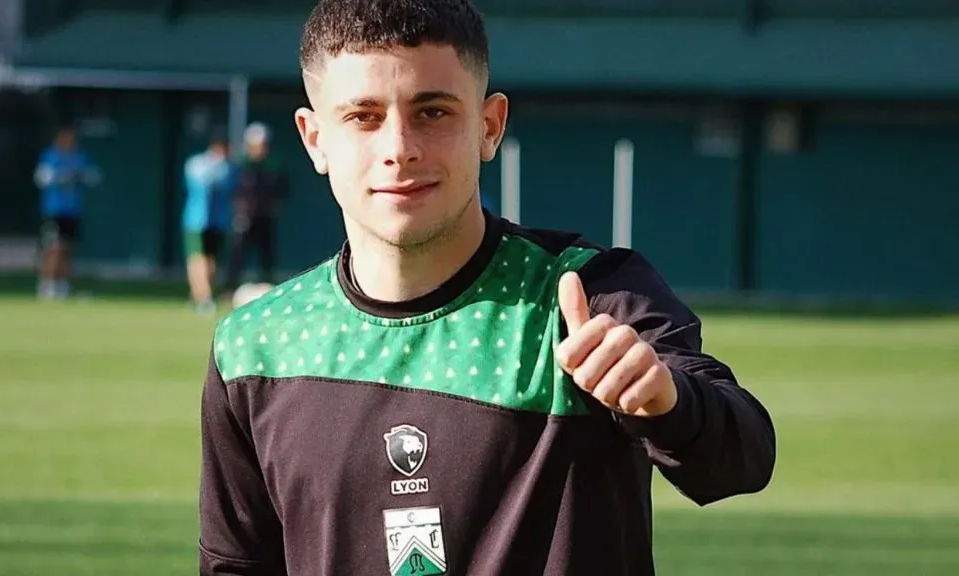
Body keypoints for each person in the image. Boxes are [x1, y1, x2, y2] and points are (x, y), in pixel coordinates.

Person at [197, 0, 776, 574]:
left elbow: (742, 458)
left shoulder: (588, 295)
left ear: (489, 126)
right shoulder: (254, 349)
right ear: (315, 139)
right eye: (363, 117)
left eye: (432, 112)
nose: (399, 149)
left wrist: (665, 401)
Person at [33, 124, 101, 300]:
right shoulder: (50, 156)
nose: (70, 141)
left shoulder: (79, 156)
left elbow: (94, 177)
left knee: (67, 249)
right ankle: (47, 285)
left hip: (73, 211)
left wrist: (79, 175)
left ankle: (62, 285)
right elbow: (41, 178)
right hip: (54, 211)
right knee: (53, 248)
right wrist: (61, 176)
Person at [223, 122, 289, 293]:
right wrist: (239, 210)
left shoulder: (273, 166)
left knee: (267, 254)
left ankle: (267, 288)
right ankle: (229, 289)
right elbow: (233, 191)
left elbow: (282, 190)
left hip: (265, 217)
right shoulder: (241, 166)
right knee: (238, 254)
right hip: (245, 217)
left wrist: (274, 205)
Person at [182, 130, 237, 315]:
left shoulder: (228, 168)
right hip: (197, 221)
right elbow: (200, 183)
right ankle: (203, 296)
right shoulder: (198, 163)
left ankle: (200, 294)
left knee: (211, 260)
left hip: (219, 221)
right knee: (197, 258)